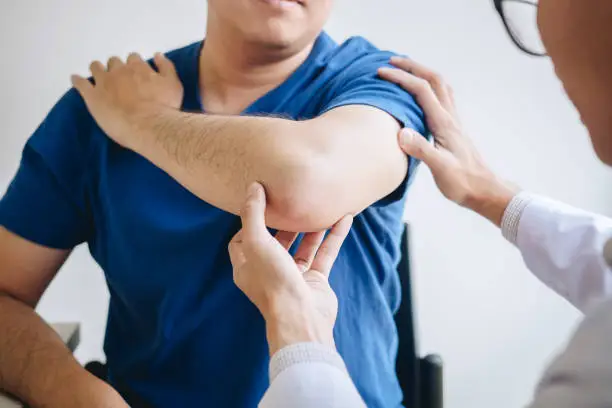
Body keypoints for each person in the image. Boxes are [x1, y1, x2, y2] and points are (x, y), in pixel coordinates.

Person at [0, 0, 427, 407]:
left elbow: (303, 185)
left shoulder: (384, 84)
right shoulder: (100, 108)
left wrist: (143, 121)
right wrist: (80, 397)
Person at [226, 0, 612, 407]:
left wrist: (298, 326)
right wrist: (495, 198)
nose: (539, 31)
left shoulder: (374, 78)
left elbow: (302, 189)